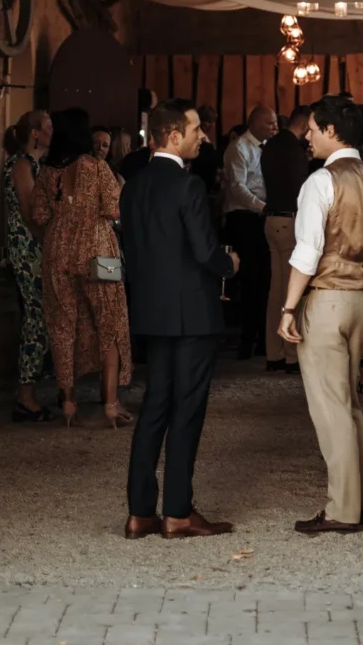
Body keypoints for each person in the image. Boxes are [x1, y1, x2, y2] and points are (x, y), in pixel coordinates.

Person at [277, 96, 363, 534]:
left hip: (328, 300)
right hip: (362, 302)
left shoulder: (320, 182)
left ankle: (342, 509)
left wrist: (289, 307)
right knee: (349, 403)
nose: (307, 135)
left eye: (312, 128)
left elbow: (307, 253)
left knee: (331, 408)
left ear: (333, 131)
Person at [121, 99, 238, 540]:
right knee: (186, 411)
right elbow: (206, 252)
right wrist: (231, 263)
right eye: (196, 131)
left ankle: (139, 512)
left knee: (154, 408)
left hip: (152, 312)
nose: (203, 136)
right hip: (192, 315)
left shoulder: (132, 186)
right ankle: (177, 513)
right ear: (172, 136)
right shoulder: (187, 187)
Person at [31, 109, 132, 429]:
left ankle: (69, 402)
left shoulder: (46, 173)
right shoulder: (98, 167)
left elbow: (38, 215)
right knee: (111, 322)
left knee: (62, 326)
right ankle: (111, 404)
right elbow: (114, 209)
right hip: (100, 252)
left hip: (58, 252)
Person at [3, 110, 55, 423]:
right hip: (28, 248)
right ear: (34, 133)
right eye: (48, 127)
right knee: (36, 317)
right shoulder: (21, 165)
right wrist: (49, 243)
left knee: (41, 315)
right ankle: (25, 396)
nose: (53, 131)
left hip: (33, 246)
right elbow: (27, 212)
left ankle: (31, 388)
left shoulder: (33, 164)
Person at [222, 105, 278, 359]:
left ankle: (263, 340)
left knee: (265, 279)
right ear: (255, 124)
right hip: (244, 218)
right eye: (270, 124)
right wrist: (263, 206)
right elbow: (237, 188)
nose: (275, 128)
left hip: (262, 217)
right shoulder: (239, 148)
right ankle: (246, 340)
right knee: (250, 280)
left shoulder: (270, 149)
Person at [260, 104, 312, 373]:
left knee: (276, 290)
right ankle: (291, 356)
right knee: (292, 292)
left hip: (271, 219)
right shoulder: (293, 150)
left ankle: (274, 353)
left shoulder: (271, 144)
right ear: (303, 125)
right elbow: (299, 190)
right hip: (289, 221)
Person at [189, 104, 220, 193]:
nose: (210, 125)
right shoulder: (198, 139)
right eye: (208, 121)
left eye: (212, 122)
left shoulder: (206, 138)